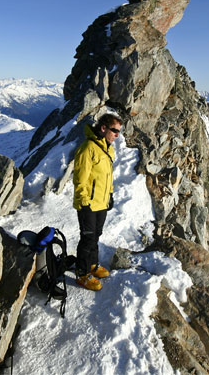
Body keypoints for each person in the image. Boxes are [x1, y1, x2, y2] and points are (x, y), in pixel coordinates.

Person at [72, 113, 123, 291]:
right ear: (103, 128)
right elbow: (80, 179)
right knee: (87, 238)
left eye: (119, 132)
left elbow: (106, 176)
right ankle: (82, 273)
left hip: (101, 203)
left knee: (96, 235)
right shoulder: (88, 148)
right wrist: (84, 202)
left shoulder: (108, 148)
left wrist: (109, 195)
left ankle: (92, 264)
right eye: (115, 131)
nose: (117, 135)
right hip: (88, 204)